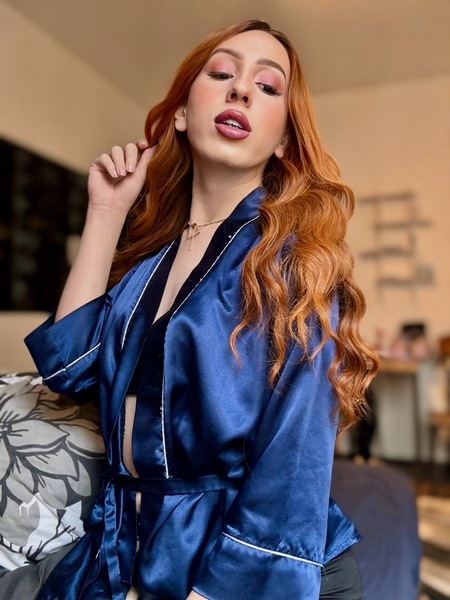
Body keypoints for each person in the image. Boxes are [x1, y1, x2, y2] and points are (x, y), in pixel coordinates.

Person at [25, 19, 378, 600]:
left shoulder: (296, 264)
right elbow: (69, 368)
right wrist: (106, 214)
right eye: (221, 73)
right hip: (130, 545)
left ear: (283, 141)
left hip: (253, 565)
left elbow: (292, 470)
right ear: (183, 113)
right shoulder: (150, 264)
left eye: (268, 86)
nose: (240, 89)